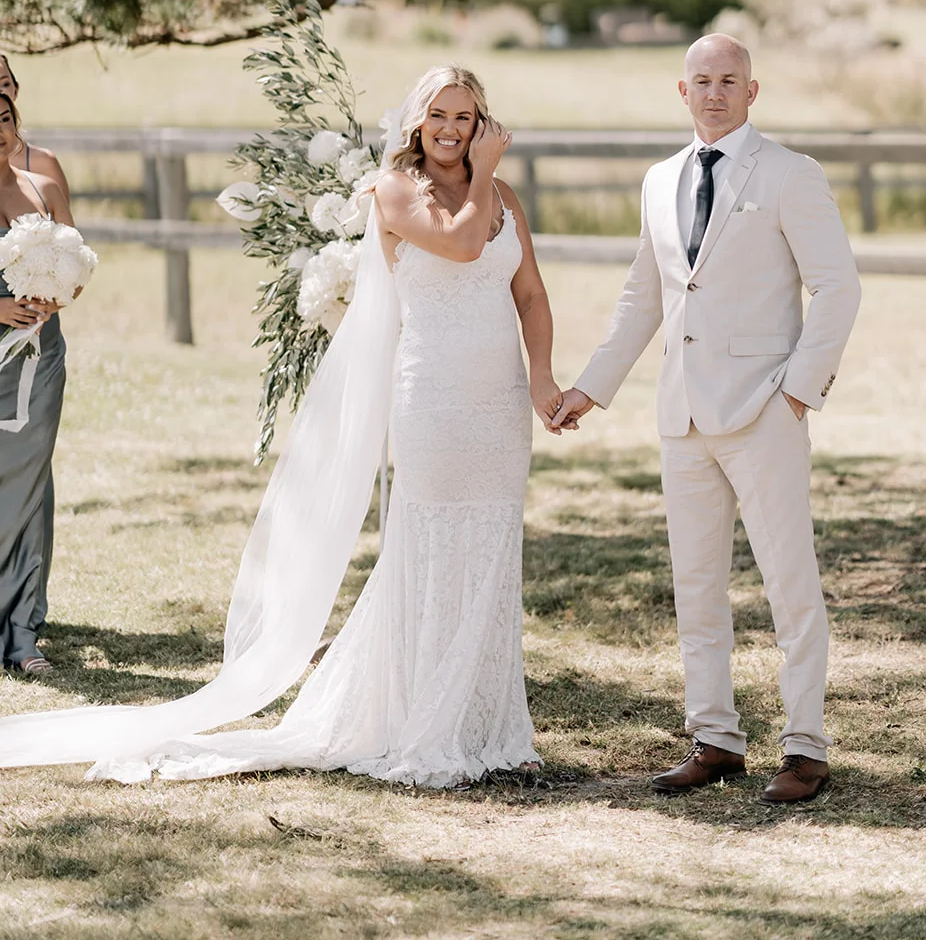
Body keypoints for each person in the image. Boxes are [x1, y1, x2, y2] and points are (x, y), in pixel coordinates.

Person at [0, 65, 563, 787]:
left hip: (500, 402)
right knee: (429, 546)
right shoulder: (395, 191)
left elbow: (530, 293)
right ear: (418, 124)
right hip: (434, 399)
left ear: (482, 122)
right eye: (439, 115)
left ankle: (490, 722)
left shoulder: (504, 198)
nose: (452, 130)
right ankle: (424, 717)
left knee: (492, 546)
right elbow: (459, 244)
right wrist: (484, 171)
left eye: (465, 116)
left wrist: (542, 378)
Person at [552, 34, 861, 806]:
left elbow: (837, 286)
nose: (714, 92)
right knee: (695, 586)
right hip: (681, 414)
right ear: (681, 90)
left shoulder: (790, 173)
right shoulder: (660, 179)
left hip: (764, 410)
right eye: (702, 80)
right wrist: (591, 387)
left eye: (729, 80)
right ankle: (715, 738)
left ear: (751, 91)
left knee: (790, 586)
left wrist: (796, 393)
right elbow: (644, 296)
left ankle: (805, 748)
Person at [0, 92, 78, 675]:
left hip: (40, 358)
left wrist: (57, 295)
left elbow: (77, 265)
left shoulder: (43, 188)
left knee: (31, 484)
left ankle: (23, 632)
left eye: (4, 119)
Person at [0, 58, 71, 205]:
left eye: (5, 84)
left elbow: (63, 218)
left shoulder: (44, 163)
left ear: (15, 90)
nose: (1, 91)